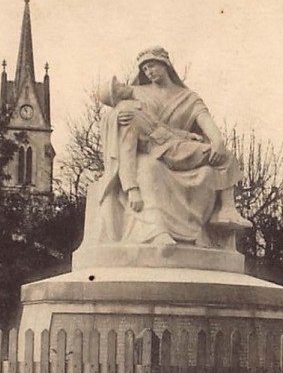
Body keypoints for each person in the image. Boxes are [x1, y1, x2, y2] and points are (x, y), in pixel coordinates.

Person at [93, 46, 250, 246]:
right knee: (150, 168)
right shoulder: (131, 103)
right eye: (145, 69)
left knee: (224, 156)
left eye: (152, 67)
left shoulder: (188, 97)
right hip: (155, 152)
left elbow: (168, 128)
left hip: (177, 144)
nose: (149, 73)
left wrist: (212, 140)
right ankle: (155, 230)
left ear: (165, 64)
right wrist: (131, 188)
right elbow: (126, 141)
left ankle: (226, 210)